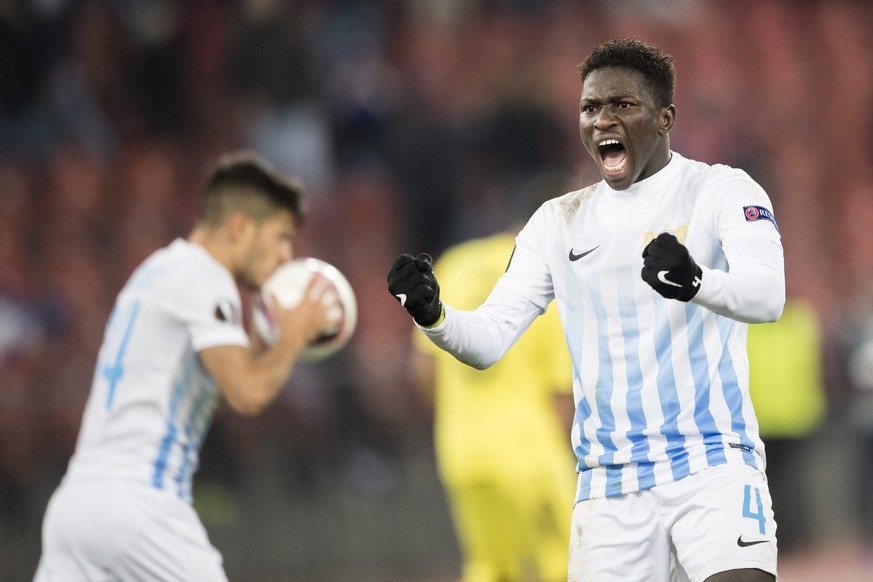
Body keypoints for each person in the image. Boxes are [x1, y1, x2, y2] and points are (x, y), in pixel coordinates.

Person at [388, 37, 784, 582]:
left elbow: (768, 296)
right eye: (590, 107)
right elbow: (490, 339)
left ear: (665, 117)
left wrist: (696, 281)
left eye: (622, 105)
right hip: (609, 486)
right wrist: (435, 316)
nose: (602, 119)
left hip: (713, 463)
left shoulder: (721, 190)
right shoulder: (558, 222)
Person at [35, 151, 337, 581]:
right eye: (281, 236)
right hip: (142, 506)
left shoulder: (157, 270)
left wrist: (259, 342)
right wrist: (292, 335)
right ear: (240, 227)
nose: (286, 255)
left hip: (77, 506)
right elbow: (248, 395)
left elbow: (206, 396)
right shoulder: (207, 279)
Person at [412, 228, 575, 582]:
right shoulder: (546, 276)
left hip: (463, 453)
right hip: (530, 450)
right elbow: (560, 392)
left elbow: (423, 367)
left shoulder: (453, 264)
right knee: (568, 564)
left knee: (490, 570)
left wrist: (456, 420)